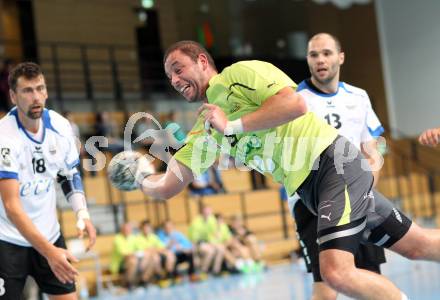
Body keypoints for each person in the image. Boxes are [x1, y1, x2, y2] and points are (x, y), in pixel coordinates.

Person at [132, 40, 440, 299]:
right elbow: (170, 185)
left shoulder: (238, 75)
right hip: (311, 191)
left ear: (201, 61)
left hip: (334, 165)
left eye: (178, 69)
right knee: (417, 246)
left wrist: (233, 125)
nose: (174, 80)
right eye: (169, 76)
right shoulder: (205, 128)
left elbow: (293, 104)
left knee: (335, 272)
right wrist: (141, 177)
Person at [290, 32, 386, 299]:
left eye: (327, 53)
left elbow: (376, 146)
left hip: (359, 199)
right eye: (313, 54)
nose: (320, 59)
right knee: (327, 286)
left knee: (370, 277)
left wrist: (366, 187)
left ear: (340, 57)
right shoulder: (294, 101)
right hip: (314, 205)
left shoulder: (359, 96)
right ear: (308, 60)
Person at [0, 62, 96, 299]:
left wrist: (82, 214)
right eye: (27, 91)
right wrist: (50, 253)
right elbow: (12, 206)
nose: (36, 97)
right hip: (7, 240)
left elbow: (69, 174)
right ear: (13, 96)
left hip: (49, 233)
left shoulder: (60, 127)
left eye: (40, 89)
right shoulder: (4, 137)